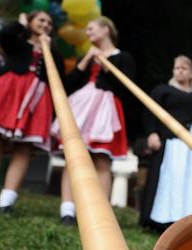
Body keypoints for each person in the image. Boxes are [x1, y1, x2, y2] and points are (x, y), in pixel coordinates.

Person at [52, 17, 136, 224]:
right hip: (82, 107)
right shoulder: (87, 56)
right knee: (74, 158)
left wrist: (106, 66)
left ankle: (99, 214)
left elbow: (127, 88)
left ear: (105, 29)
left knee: (101, 161)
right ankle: (68, 211)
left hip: (106, 110)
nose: (88, 33)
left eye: (91, 29)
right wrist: (88, 58)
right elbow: (68, 84)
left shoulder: (123, 57)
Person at [0, 12, 64, 212]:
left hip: (39, 99)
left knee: (24, 148)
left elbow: (60, 77)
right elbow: (5, 34)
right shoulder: (17, 42)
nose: (46, 24)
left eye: (49, 22)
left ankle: (7, 199)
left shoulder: (53, 51)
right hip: (10, 91)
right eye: (41, 20)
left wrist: (47, 47)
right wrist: (19, 24)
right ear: (30, 22)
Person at [139, 55, 192, 231]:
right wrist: (152, 133)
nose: (179, 71)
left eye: (183, 68)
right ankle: (163, 220)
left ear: (191, 73)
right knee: (171, 178)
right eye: (176, 68)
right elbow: (150, 112)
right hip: (172, 144)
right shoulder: (163, 91)